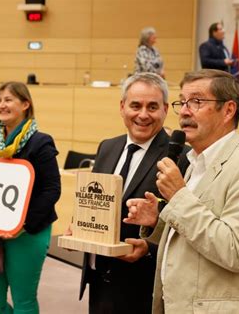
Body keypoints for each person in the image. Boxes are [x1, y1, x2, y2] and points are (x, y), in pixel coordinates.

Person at [124, 69, 239, 313]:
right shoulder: (195, 162)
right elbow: (195, 234)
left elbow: (235, 250)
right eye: (182, 102)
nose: (185, 111)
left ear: (228, 110)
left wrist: (178, 197)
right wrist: (159, 221)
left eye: (197, 101)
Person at [72, 72, 188, 314]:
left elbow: (186, 224)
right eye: (135, 105)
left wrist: (149, 247)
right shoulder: (107, 146)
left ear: (166, 109)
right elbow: (98, 202)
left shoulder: (182, 157)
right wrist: (80, 226)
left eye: (152, 107)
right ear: (122, 107)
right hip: (99, 278)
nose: (143, 114)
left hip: (143, 287)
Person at [0, 81, 61, 314]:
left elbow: (52, 189)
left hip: (28, 231)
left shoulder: (40, 142)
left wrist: (22, 224)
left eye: (8, 100)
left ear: (25, 104)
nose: (2, 105)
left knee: (24, 299)